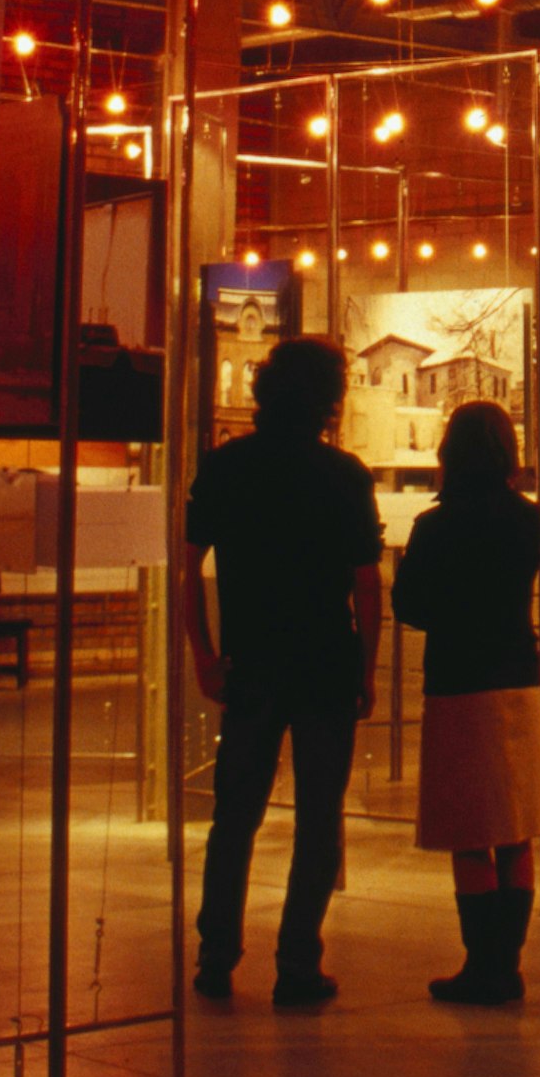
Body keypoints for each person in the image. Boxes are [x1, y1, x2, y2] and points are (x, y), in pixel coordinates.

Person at [181, 336, 384, 1005]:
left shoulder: (225, 467)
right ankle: (298, 961)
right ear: (328, 398)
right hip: (325, 661)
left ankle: (216, 956)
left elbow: (187, 566)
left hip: (253, 663)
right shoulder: (345, 476)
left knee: (235, 816)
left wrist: (205, 654)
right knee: (318, 819)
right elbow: (364, 583)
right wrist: (367, 667)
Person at [388, 398, 540, 1005]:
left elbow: (408, 606)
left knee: (468, 831)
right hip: (518, 677)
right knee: (516, 828)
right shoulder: (529, 520)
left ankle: (481, 965)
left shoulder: (436, 526)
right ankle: (505, 965)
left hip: (458, 682)